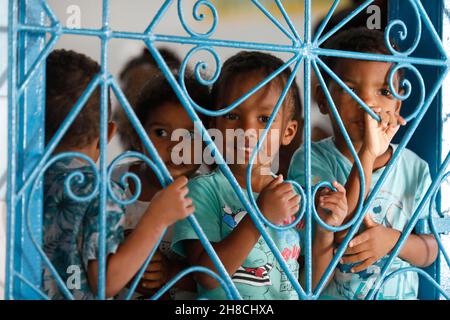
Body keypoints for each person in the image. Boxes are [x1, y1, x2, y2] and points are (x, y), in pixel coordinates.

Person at [171, 51, 347, 299]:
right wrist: (260, 216)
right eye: (232, 115)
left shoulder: (296, 198)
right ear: (213, 124)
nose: (247, 130)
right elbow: (207, 275)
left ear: (288, 132)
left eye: (264, 118)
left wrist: (326, 230)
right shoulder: (202, 192)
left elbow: (313, 286)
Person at [288, 28, 438, 299]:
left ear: (399, 103)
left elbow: (432, 249)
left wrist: (393, 240)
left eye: (383, 91)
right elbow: (334, 230)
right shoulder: (311, 160)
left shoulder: (415, 168)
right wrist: (367, 155)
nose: (368, 102)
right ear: (323, 99)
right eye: (351, 90)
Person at [42, 49, 193, 299]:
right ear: (109, 133)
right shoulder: (104, 190)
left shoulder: (25, 183)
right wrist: (157, 218)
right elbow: (106, 281)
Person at [112, 72, 211, 299]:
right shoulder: (116, 182)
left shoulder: (210, 191)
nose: (176, 146)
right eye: (161, 133)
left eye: (189, 135)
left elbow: (223, 276)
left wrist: (170, 272)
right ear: (138, 137)